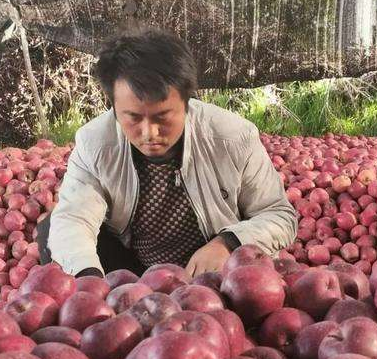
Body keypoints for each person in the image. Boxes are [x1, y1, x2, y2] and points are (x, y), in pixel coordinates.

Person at [38, 26, 297, 279]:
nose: (149, 133)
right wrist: (89, 283)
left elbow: (279, 215)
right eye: (133, 117)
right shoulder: (94, 143)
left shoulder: (233, 137)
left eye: (162, 116)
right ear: (114, 107)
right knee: (51, 228)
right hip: (137, 271)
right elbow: (73, 220)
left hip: (213, 269)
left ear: (186, 102)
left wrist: (228, 243)